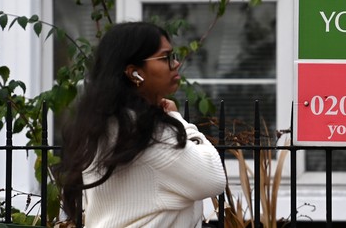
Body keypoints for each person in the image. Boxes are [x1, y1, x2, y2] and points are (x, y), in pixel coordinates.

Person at [55, 21, 226, 227]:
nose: (176, 63)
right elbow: (213, 178)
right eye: (165, 58)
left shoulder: (100, 127)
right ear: (134, 72)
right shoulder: (150, 135)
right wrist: (178, 120)